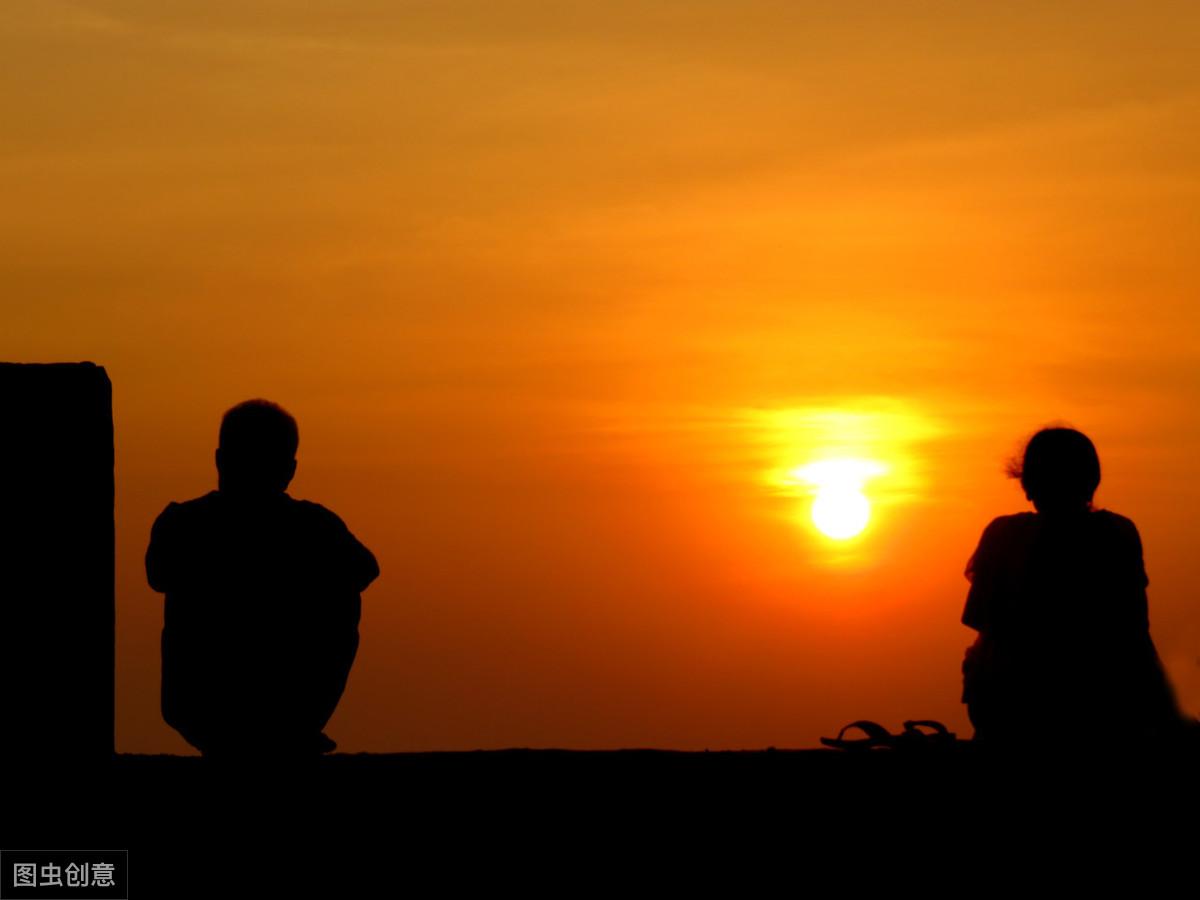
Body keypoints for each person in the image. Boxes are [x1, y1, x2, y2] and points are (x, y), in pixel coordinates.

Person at [145, 398, 379, 758]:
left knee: (342, 586)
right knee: (341, 591)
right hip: (243, 704)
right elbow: (364, 569)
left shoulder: (183, 523)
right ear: (289, 470)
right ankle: (290, 726)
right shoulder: (313, 527)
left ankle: (283, 726)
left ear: (220, 460)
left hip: (202, 705)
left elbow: (364, 569)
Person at [960, 426, 1181, 748]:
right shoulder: (1116, 533)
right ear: (1091, 480)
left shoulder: (1004, 535)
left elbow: (978, 617)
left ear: (1027, 483)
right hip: (1101, 702)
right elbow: (1134, 627)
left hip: (1012, 704)